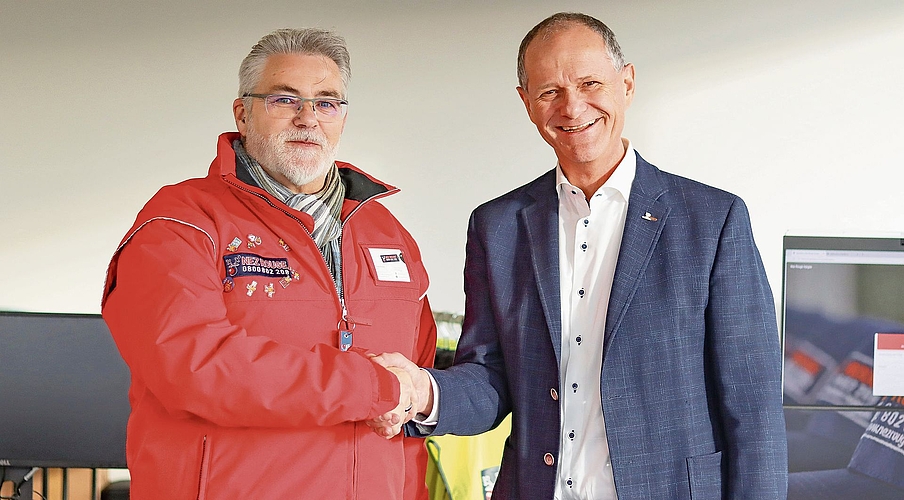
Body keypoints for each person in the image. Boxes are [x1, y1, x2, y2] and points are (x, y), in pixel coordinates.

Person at [371, 12, 787, 499]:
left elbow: (754, 408)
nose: (572, 107)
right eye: (549, 92)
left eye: (590, 83)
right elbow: (491, 376)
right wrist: (424, 392)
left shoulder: (713, 220)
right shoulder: (497, 225)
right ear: (527, 103)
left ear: (626, 83)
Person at [101, 28, 436, 499]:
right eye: (284, 99)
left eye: (327, 102)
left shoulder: (389, 234)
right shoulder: (182, 221)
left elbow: (409, 404)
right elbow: (196, 365)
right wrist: (371, 386)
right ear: (242, 113)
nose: (308, 118)